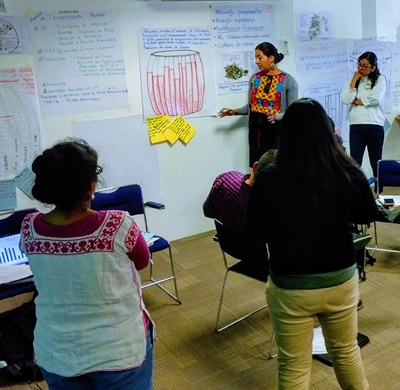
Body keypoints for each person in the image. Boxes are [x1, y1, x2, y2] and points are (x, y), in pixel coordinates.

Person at [246, 98, 377, 389]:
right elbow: (368, 214)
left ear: (286, 134)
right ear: (329, 132)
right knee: (346, 353)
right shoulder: (348, 172)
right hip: (339, 280)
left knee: (293, 365)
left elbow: (255, 230)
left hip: (290, 283)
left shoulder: (268, 178)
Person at [19, 138, 154, 390]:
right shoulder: (118, 224)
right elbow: (143, 261)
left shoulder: (29, 228)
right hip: (119, 350)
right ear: (91, 185)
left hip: (58, 351)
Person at [219, 42, 298, 167]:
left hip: (276, 133)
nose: (256, 61)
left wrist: (277, 116)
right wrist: (234, 112)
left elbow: (294, 111)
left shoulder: (288, 81)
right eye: (255, 58)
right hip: (256, 132)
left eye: (259, 57)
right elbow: (252, 105)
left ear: (271, 58)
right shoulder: (255, 79)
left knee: (273, 168)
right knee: (257, 167)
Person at [203, 148, 277, 231]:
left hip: (225, 241)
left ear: (255, 166)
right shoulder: (269, 208)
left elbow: (207, 211)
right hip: (252, 243)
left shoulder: (224, 179)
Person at [341, 51, 386, 185]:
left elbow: (376, 98)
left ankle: (379, 191)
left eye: (364, 66)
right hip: (356, 124)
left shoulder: (380, 79)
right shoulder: (353, 80)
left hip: (374, 124)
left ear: (373, 67)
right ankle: (355, 190)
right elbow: (346, 99)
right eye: (359, 65)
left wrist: (359, 101)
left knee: (375, 160)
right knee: (355, 161)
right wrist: (354, 81)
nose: (360, 68)